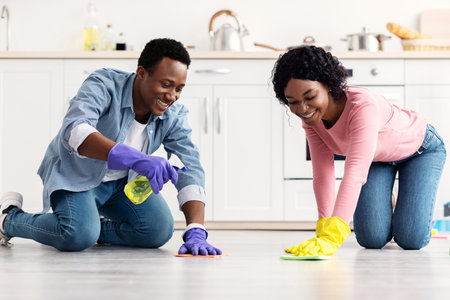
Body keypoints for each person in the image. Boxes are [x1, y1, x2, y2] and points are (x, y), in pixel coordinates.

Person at [0, 38, 222, 256]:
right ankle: (9, 219)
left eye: (179, 89)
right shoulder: (104, 84)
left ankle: (93, 227)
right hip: (76, 176)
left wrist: (196, 228)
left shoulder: (174, 116)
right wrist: (137, 159)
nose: (172, 96)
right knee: (76, 235)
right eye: (166, 84)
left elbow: (189, 164)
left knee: (158, 231)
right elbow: (75, 131)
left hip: (122, 185)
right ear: (142, 73)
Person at [272, 46, 446, 256]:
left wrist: (333, 236)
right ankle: (387, 202)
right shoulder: (311, 121)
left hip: (420, 149)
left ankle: (405, 206)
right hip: (377, 158)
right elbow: (322, 174)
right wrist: (324, 230)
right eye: (293, 102)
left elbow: (355, 171)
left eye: (310, 97)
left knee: (411, 239)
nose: (303, 109)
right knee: (371, 239)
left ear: (327, 85)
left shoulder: (362, 106)